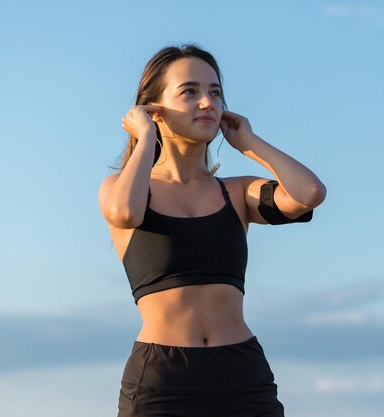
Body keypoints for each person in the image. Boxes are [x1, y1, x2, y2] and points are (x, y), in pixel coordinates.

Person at [98, 43, 326, 417]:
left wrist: (250, 143)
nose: (208, 102)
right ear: (152, 108)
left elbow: (309, 193)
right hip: (163, 379)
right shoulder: (122, 189)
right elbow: (124, 212)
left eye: (215, 92)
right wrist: (146, 137)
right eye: (190, 91)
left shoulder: (236, 192)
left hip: (243, 375)